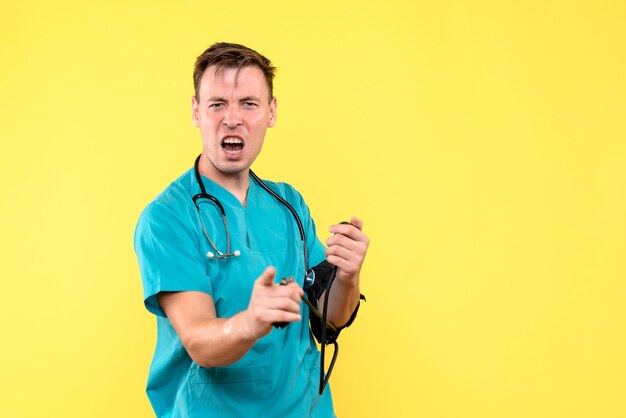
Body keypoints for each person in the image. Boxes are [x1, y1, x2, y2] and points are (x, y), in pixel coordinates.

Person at [134, 42, 369, 418]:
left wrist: (347, 275)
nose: (232, 118)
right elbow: (198, 341)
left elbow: (329, 317)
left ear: (271, 112)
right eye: (217, 104)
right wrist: (252, 321)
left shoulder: (289, 204)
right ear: (196, 111)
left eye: (248, 103)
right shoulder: (167, 218)